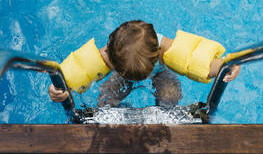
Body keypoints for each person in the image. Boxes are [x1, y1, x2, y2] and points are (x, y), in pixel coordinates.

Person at [48, 20, 240, 107]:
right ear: (112, 59)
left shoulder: (166, 50)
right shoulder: (109, 55)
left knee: (170, 96)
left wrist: (227, 65)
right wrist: (58, 90)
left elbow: (199, 63)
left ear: (157, 53)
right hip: (120, 74)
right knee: (105, 102)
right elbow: (73, 74)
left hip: (160, 73)